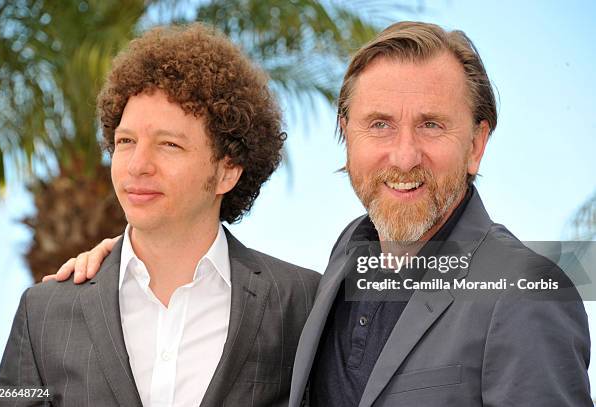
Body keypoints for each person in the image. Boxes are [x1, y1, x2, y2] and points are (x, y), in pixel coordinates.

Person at [44, 22, 591, 406]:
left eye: (431, 124)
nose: (403, 155)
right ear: (346, 139)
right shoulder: (329, 279)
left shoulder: (523, 289)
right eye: (379, 125)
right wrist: (135, 261)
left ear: (476, 144)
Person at [0, 24, 320, 407]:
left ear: (227, 171)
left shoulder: (301, 302)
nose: (137, 165)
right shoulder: (43, 311)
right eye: (125, 142)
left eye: (169, 144)